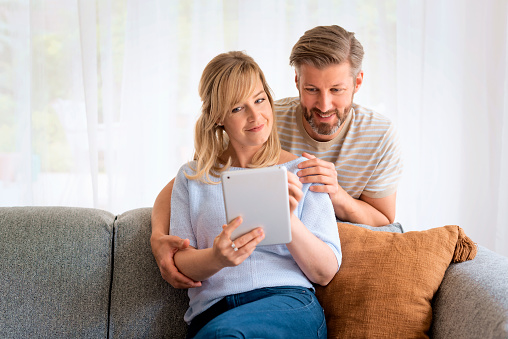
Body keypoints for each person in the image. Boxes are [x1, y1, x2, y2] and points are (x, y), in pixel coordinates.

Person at [151, 24, 402, 288]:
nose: (324, 105)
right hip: (279, 263)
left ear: (357, 82)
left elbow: (384, 219)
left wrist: (336, 194)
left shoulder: (379, 135)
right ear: (297, 81)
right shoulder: (264, 121)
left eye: (337, 90)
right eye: (312, 89)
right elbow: (199, 178)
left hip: (322, 256)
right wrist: (157, 235)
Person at [168, 51, 340, 338]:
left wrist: (287, 220)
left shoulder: (303, 172)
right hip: (214, 312)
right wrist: (218, 258)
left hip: (287, 303)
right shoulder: (192, 178)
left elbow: (324, 272)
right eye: (237, 108)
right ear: (218, 117)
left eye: (259, 100)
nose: (255, 115)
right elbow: (181, 263)